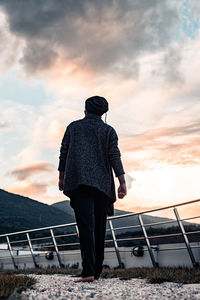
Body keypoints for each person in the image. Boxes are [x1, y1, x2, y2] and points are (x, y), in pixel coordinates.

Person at [58, 96, 127, 282]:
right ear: (104, 113)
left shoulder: (73, 127)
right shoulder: (109, 130)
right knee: (99, 228)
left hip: (79, 182)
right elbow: (114, 155)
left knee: (86, 228)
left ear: (85, 110)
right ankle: (95, 272)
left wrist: (61, 176)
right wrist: (122, 181)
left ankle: (88, 272)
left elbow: (63, 152)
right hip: (102, 185)